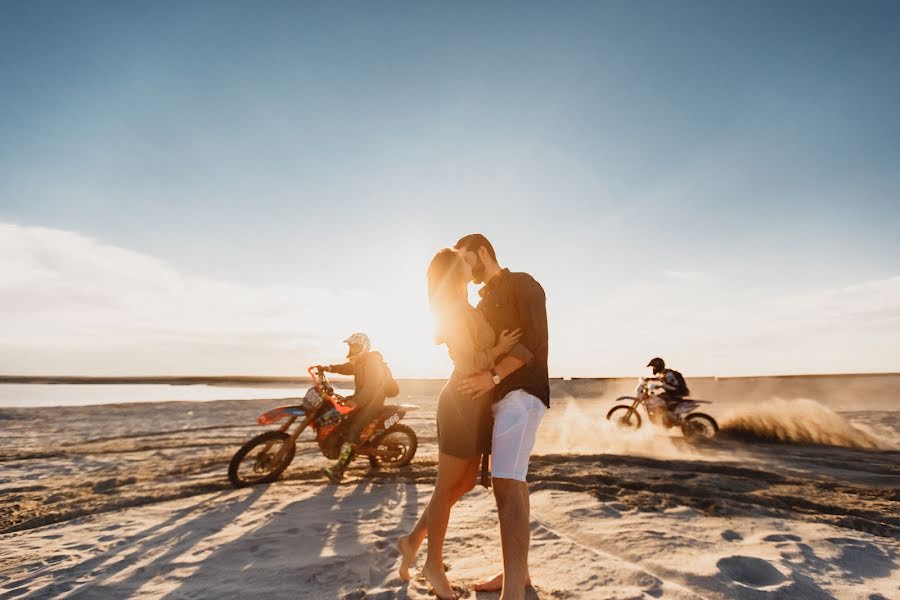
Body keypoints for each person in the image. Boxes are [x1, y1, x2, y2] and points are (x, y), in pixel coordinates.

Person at [396, 248, 522, 600]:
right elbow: (468, 362)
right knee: (446, 486)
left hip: (474, 404)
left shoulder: (463, 306)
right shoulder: (451, 310)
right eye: (463, 262)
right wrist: (500, 349)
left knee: (462, 483)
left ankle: (411, 541)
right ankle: (432, 565)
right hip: (460, 402)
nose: (470, 265)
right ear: (454, 272)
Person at [454, 234, 549, 600]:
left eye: (466, 261)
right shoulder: (480, 300)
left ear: (483, 252)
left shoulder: (522, 283)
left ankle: (513, 592)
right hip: (498, 398)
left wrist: (493, 376)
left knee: (508, 488)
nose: (464, 270)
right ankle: (518, 575)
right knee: (510, 485)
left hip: (521, 395)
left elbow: (534, 341)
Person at [318, 333, 395, 483]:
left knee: (353, 430)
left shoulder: (372, 363)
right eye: (351, 347)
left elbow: (370, 388)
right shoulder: (361, 362)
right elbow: (347, 368)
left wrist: (356, 402)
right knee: (340, 419)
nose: (352, 350)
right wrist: (328, 368)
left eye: (355, 347)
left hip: (372, 404)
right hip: (363, 400)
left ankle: (339, 470)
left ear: (363, 347)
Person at [645, 357, 691, 425]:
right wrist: (649, 379)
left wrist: (661, 386)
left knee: (659, 401)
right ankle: (664, 419)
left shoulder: (668, 374)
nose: (653, 369)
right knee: (658, 399)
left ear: (658, 366)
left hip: (677, 393)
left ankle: (670, 420)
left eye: (654, 367)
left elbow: (675, 386)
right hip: (674, 393)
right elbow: (660, 378)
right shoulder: (664, 373)